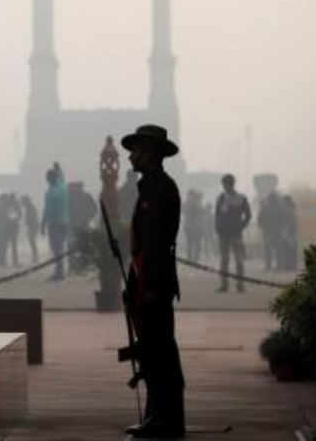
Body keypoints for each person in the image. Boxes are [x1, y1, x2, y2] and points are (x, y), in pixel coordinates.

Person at [121, 124, 185, 438]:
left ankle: (166, 420)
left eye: (136, 150)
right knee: (154, 352)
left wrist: (148, 287)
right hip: (148, 279)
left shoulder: (159, 188)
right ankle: (158, 416)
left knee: (160, 354)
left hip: (155, 282)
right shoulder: (151, 186)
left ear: (149, 154)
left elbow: (157, 243)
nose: (131, 156)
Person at [215, 174, 251, 293]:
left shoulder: (241, 198)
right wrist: (218, 228)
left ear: (230, 184)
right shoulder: (221, 197)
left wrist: (241, 226)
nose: (224, 187)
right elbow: (217, 215)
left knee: (238, 261)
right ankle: (224, 285)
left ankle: (239, 284)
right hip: (224, 234)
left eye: (225, 184)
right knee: (224, 261)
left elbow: (248, 215)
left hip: (236, 234)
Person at [40, 164, 69, 282]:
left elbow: (48, 211)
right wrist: (58, 168)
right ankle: (60, 271)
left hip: (55, 224)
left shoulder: (50, 193)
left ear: (48, 179)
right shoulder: (63, 187)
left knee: (57, 249)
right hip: (65, 222)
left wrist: (42, 225)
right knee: (60, 247)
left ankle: (59, 272)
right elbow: (62, 177)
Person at [257, 192, 285, 272]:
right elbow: (284, 219)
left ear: (269, 199)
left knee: (268, 249)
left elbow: (260, 220)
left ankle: (268, 265)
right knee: (278, 249)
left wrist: (264, 227)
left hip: (267, 232)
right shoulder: (280, 208)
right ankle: (279, 266)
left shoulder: (265, 208)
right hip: (278, 231)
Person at [0, 193, 23, 267]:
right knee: (13, 245)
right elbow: (20, 215)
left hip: (6, 227)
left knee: (5, 245)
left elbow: (2, 215)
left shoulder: (5, 204)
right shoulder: (16, 204)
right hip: (13, 227)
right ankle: (15, 262)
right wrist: (15, 217)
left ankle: (3, 261)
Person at [182, 190, 205, 262]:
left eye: (192, 196)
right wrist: (190, 205)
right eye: (189, 196)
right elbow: (183, 211)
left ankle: (196, 257)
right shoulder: (186, 203)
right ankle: (189, 257)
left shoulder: (198, 203)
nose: (190, 197)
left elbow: (202, 213)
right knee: (189, 242)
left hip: (197, 226)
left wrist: (196, 205)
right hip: (188, 226)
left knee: (197, 242)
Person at [280, 195, 299, 271]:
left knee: (288, 250)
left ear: (286, 202)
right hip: (293, 232)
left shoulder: (287, 210)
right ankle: (293, 265)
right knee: (292, 250)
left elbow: (286, 222)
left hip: (288, 232)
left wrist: (285, 233)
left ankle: (289, 266)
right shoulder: (293, 209)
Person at [21, 195, 40, 264]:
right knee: (32, 242)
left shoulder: (30, 207)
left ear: (26, 201)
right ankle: (35, 257)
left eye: (22, 202)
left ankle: (35, 257)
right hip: (32, 226)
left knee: (32, 242)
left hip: (33, 227)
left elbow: (33, 217)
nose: (21, 203)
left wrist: (28, 222)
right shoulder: (29, 207)